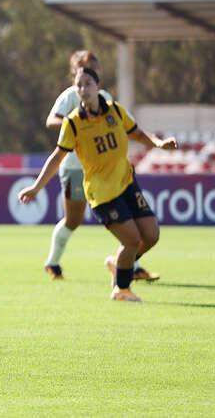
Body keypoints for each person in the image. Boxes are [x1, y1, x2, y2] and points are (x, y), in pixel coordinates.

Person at [19, 67, 177, 301]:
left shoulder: (115, 111)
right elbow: (56, 158)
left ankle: (118, 262)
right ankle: (121, 289)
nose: (83, 89)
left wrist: (159, 143)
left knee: (151, 235)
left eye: (88, 83)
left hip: (126, 183)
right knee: (131, 240)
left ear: (98, 86)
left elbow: (138, 134)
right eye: (79, 85)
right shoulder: (73, 123)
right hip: (102, 194)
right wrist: (36, 187)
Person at [42, 50, 159, 282]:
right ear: (76, 71)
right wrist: (76, 125)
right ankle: (52, 262)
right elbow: (51, 120)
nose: (94, 68)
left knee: (134, 226)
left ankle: (130, 266)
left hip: (109, 171)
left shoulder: (104, 96)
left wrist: (153, 141)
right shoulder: (70, 97)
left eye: (96, 65)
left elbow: (124, 126)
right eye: (88, 65)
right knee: (73, 220)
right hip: (77, 168)